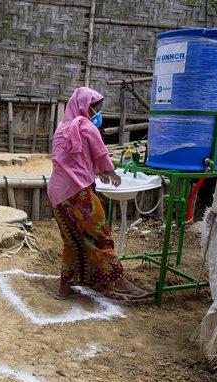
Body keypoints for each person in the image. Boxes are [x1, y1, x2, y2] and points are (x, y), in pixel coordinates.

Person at [47, 87, 147, 300]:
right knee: (101, 236)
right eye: (97, 109)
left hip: (57, 192)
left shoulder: (62, 128)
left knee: (72, 240)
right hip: (77, 192)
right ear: (86, 107)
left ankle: (65, 289)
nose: (98, 113)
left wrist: (94, 172)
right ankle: (119, 281)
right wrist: (112, 174)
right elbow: (101, 155)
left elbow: (73, 159)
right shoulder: (86, 128)